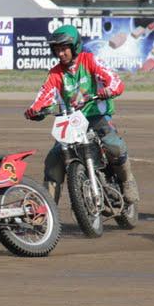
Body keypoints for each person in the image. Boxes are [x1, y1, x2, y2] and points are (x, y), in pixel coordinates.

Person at [23, 24, 137, 205]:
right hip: (70, 121)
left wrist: (109, 90)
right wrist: (35, 109)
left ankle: (127, 180)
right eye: (57, 50)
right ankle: (46, 210)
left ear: (74, 46)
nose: (60, 54)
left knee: (113, 145)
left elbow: (114, 80)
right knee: (53, 161)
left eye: (64, 49)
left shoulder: (90, 60)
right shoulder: (55, 73)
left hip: (96, 116)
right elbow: (44, 95)